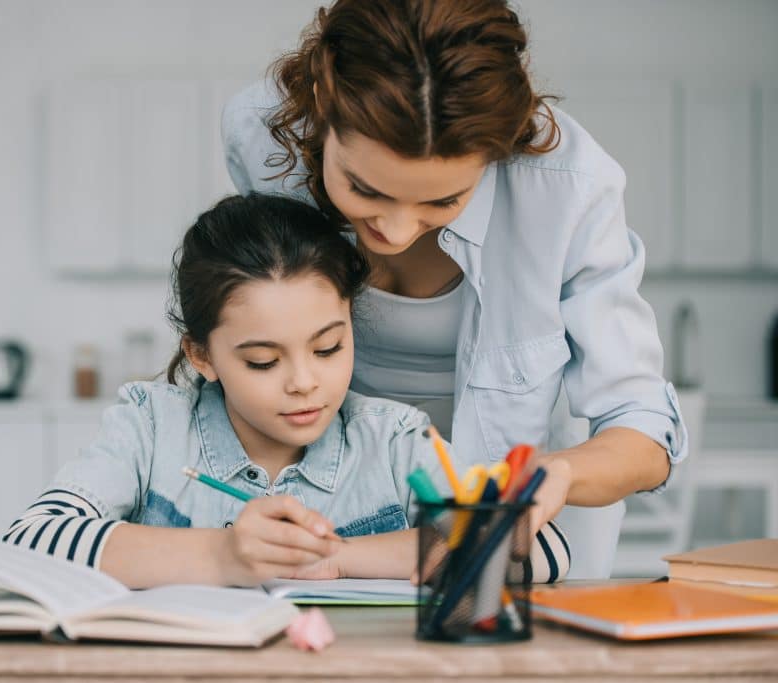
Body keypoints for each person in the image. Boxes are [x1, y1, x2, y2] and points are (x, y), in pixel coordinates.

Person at [222, 0, 687, 575]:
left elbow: (642, 427)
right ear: (323, 107)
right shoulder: (263, 139)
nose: (394, 230)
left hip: (525, 532)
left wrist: (559, 474)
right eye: (364, 189)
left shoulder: (569, 191)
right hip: (338, 510)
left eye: (442, 201)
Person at [3, 193, 569, 588]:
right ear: (202, 354)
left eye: (328, 348)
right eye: (262, 360)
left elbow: (538, 550)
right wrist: (224, 555)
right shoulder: (151, 426)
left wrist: (341, 558)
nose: (305, 382)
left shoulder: (393, 439)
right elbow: (30, 541)